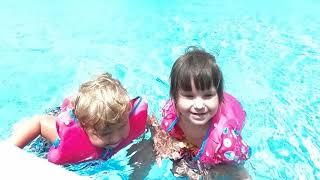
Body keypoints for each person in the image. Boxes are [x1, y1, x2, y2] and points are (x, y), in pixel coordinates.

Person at [152, 47, 251, 178]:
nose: (199, 105)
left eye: (208, 96)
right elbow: (160, 132)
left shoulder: (226, 141)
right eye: (189, 96)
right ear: (175, 99)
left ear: (219, 98)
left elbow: (240, 173)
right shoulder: (171, 114)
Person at [9, 73, 148, 165]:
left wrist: (159, 137)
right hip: (46, 143)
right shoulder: (67, 135)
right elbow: (39, 122)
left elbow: (147, 119)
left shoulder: (124, 113)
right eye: (105, 134)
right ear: (84, 126)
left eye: (122, 126)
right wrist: (9, 151)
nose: (116, 138)